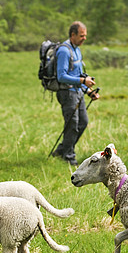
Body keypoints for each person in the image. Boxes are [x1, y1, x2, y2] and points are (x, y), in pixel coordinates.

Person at [52, 21, 99, 165]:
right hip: (67, 93)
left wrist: (88, 91)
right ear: (73, 35)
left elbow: (79, 75)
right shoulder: (64, 51)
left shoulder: (77, 49)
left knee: (82, 123)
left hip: (77, 92)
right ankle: (69, 157)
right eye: (81, 36)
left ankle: (62, 150)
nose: (84, 38)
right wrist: (83, 81)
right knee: (72, 125)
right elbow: (61, 76)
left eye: (85, 36)